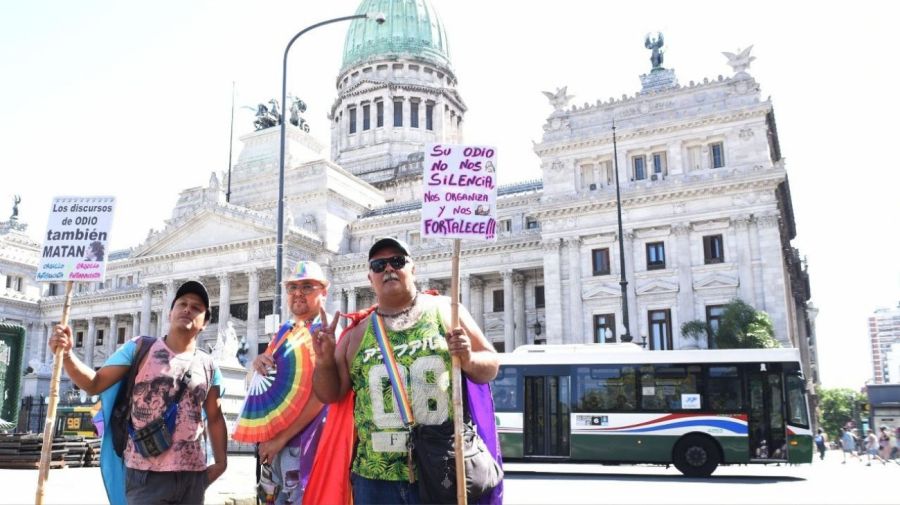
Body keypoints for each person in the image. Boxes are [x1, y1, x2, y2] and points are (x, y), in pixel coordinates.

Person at [312, 237, 501, 504]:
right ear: (370, 277)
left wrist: (468, 358)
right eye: (379, 265)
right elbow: (329, 395)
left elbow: (491, 365)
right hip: (375, 477)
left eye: (397, 261)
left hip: (441, 468)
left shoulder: (447, 311)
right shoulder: (356, 334)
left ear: (413, 268)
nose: (388, 269)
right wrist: (324, 361)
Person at [48, 280, 227, 504]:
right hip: (146, 476)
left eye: (197, 307)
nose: (188, 309)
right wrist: (66, 356)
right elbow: (94, 383)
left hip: (192, 475)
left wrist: (221, 462)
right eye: (182, 304)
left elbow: (215, 416)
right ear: (170, 313)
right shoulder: (140, 348)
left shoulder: (209, 365)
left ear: (206, 322)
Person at [250, 260, 338, 505]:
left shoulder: (328, 331)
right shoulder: (285, 330)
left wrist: (280, 439)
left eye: (307, 286)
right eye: (292, 287)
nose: (298, 292)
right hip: (277, 447)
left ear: (324, 291)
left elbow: (322, 396)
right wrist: (259, 363)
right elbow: (270, 383)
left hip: (308, 444)